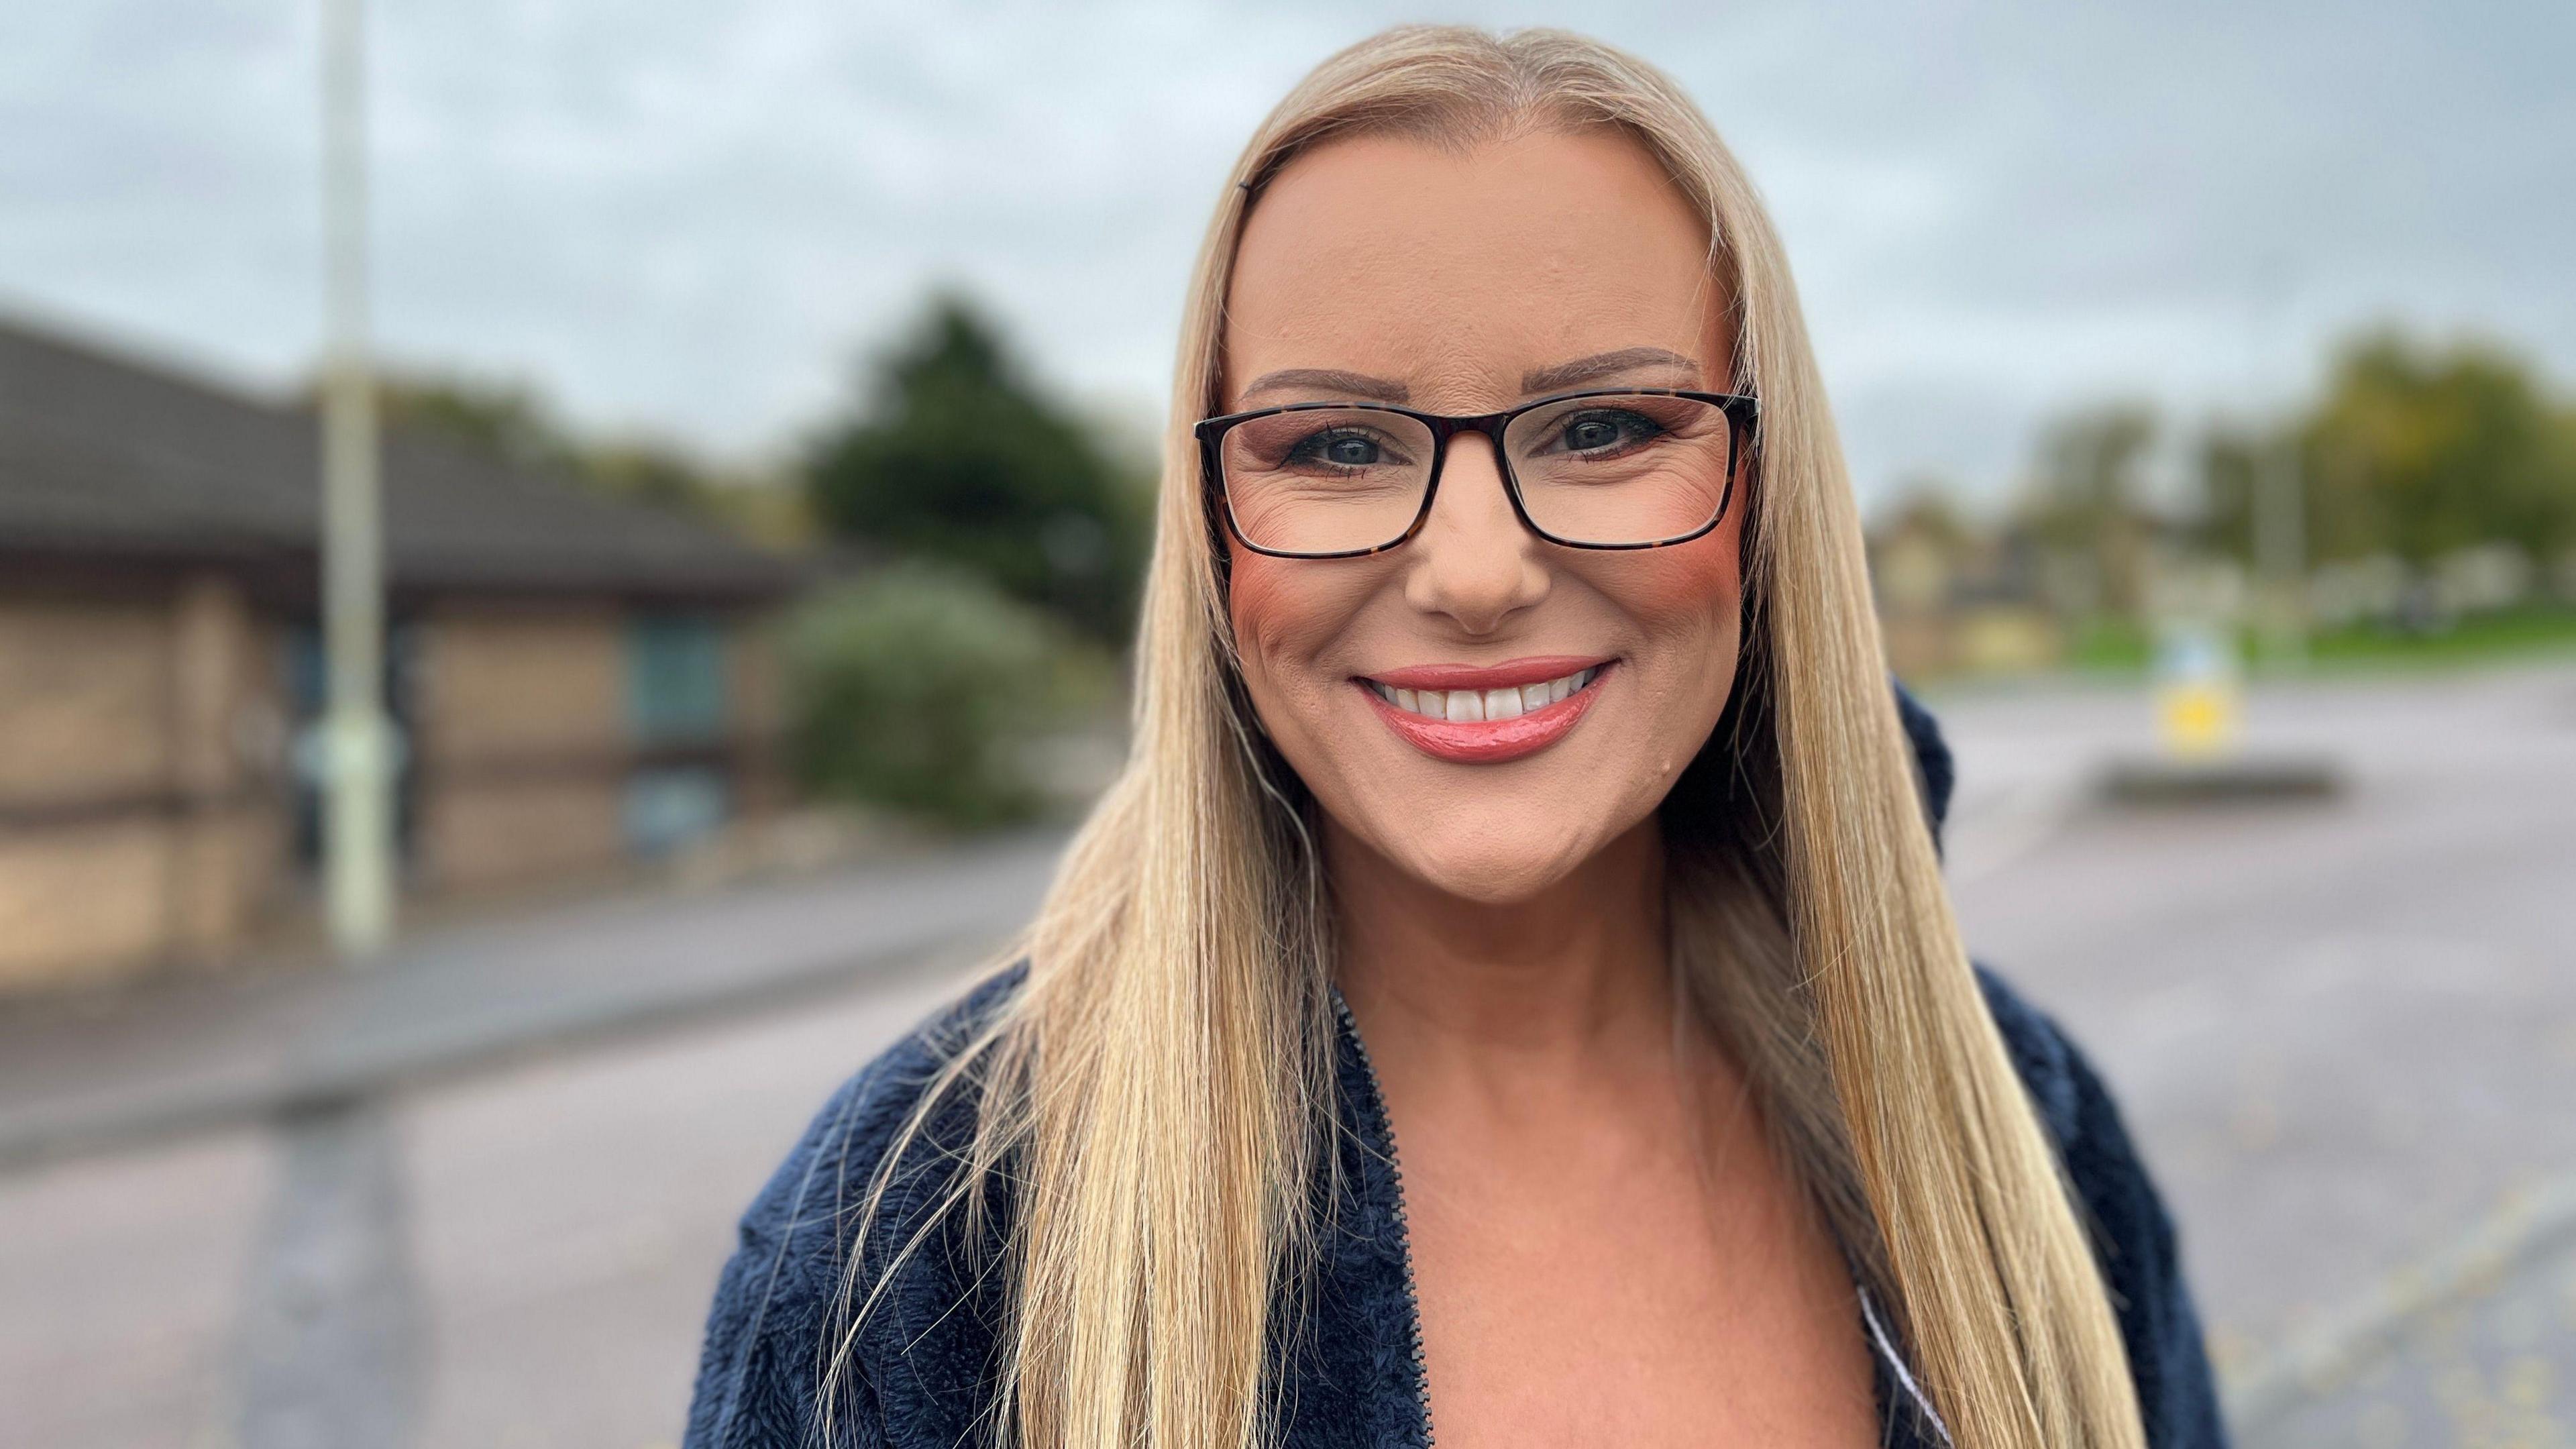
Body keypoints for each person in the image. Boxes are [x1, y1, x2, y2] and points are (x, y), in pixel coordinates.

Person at [684, 24, 2226, 1449]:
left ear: (1768, 498)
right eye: (1337, 447)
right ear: (1213, 531)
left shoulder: (2014, 1129)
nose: (1477, 575)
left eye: (1607, 429)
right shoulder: (918, 1247)